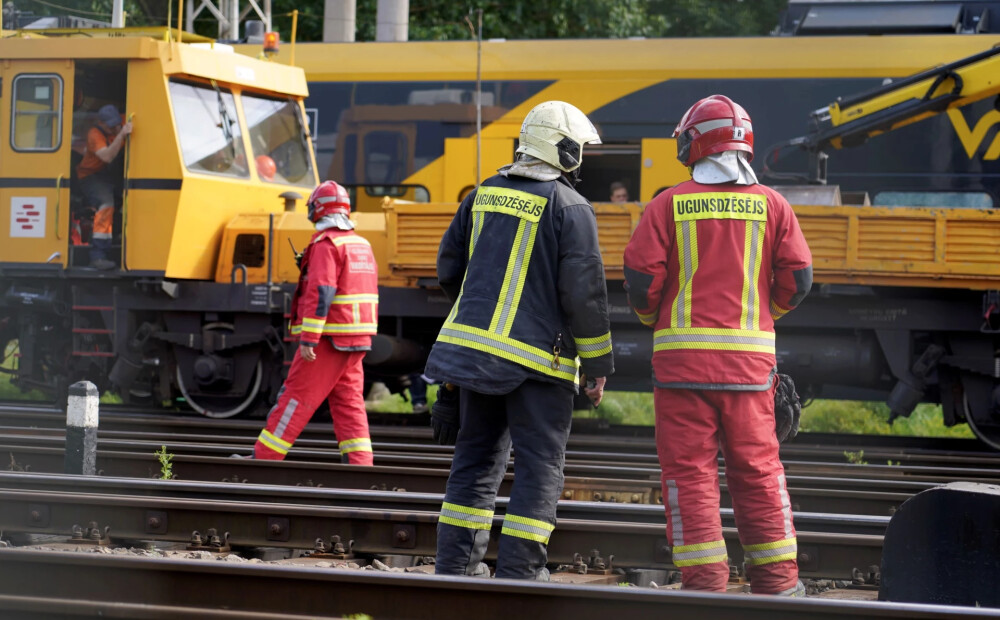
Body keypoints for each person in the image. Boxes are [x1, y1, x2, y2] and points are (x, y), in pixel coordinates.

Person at [622, 95, 812, 595]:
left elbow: (641, 281)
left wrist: (653, 319)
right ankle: (778, 584)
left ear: (695, 144)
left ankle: (705, 585)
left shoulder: (668, 204)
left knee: (688, 476)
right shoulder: (773, 205)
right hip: (750, 370)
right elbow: (798, 279)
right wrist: (765, 316)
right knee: (759, 471)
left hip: (681, 371)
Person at [425, 100, 614, 580]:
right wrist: (597, 366)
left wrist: (481, 318)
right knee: (539, 468)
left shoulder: (483, 194)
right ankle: (520, 576)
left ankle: (454, 571)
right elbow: (585, 295)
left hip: (475, 362)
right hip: (538, 366)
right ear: (565, 150)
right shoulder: (571, 207)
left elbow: (449, 268)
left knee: (474, 463)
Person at [252, 180, 378, 465]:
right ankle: (361, 466)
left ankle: (265, 459)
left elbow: (322, 291)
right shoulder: (361, 244)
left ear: (317, 210)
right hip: (357, 338)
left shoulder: (326, 244)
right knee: (349, 404)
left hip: (328, 339)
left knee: (294, 399)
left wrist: (309, 338)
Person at [76, 104, 132, 270]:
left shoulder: (123, 121)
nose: (115, 128)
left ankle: (115, 238)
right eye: (111, 126)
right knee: (106, 204)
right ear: (101, 123)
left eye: (117, 124)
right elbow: (107, 157)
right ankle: (98, 255)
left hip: (108, 175)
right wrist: (121, 135)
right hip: (89, 176)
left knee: (126, 200)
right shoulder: (94, 134)